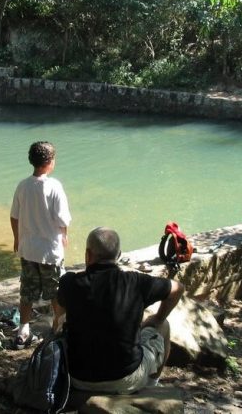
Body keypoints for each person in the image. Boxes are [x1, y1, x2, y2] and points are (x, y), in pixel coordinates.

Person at [56, 227, 184, 394]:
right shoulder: (136, 283)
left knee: (61, 321)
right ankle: (151, 385)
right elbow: (178, 288)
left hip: (76, 378)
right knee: (163, 324)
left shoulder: (70, 283)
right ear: (119, 256)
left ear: (87, 255)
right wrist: (158, 317)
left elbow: (59, 310)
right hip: (126, 379)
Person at [10, 141, 72, 349]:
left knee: (27, 292)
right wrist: (65, 235)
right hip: (50, 252)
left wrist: (17, 239)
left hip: (28, 250)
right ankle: (59, 328)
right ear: (50, 162)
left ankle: (23, 331)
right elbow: (63, 219)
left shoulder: (23, 185)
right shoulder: (54, 186)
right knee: (56, 292)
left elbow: (14, 216)